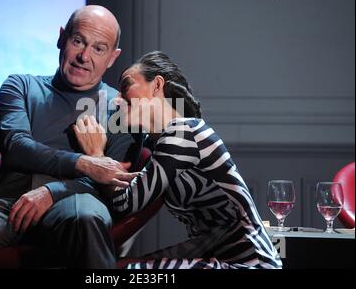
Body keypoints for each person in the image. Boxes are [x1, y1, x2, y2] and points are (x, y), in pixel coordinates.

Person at [0, 5, 141, 269]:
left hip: (75, 203)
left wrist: (52, 192)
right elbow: (16, 147)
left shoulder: (120, 107)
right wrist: (83, 163)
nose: (84, 56)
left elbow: (116, 179)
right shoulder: (20, 85)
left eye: (99, 48)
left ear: (112, 57)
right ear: (62, 38)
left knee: (86, 216)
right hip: (8, 205)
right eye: (78, 41)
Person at [75, 51, 282, 269]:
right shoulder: (157, 144)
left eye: (126, 86)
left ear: (156, 85)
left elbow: (124, 204)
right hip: (212, 253)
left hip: (249, 264)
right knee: (117, 266)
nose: (116, 100)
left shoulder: (183, 132)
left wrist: (96, 156)